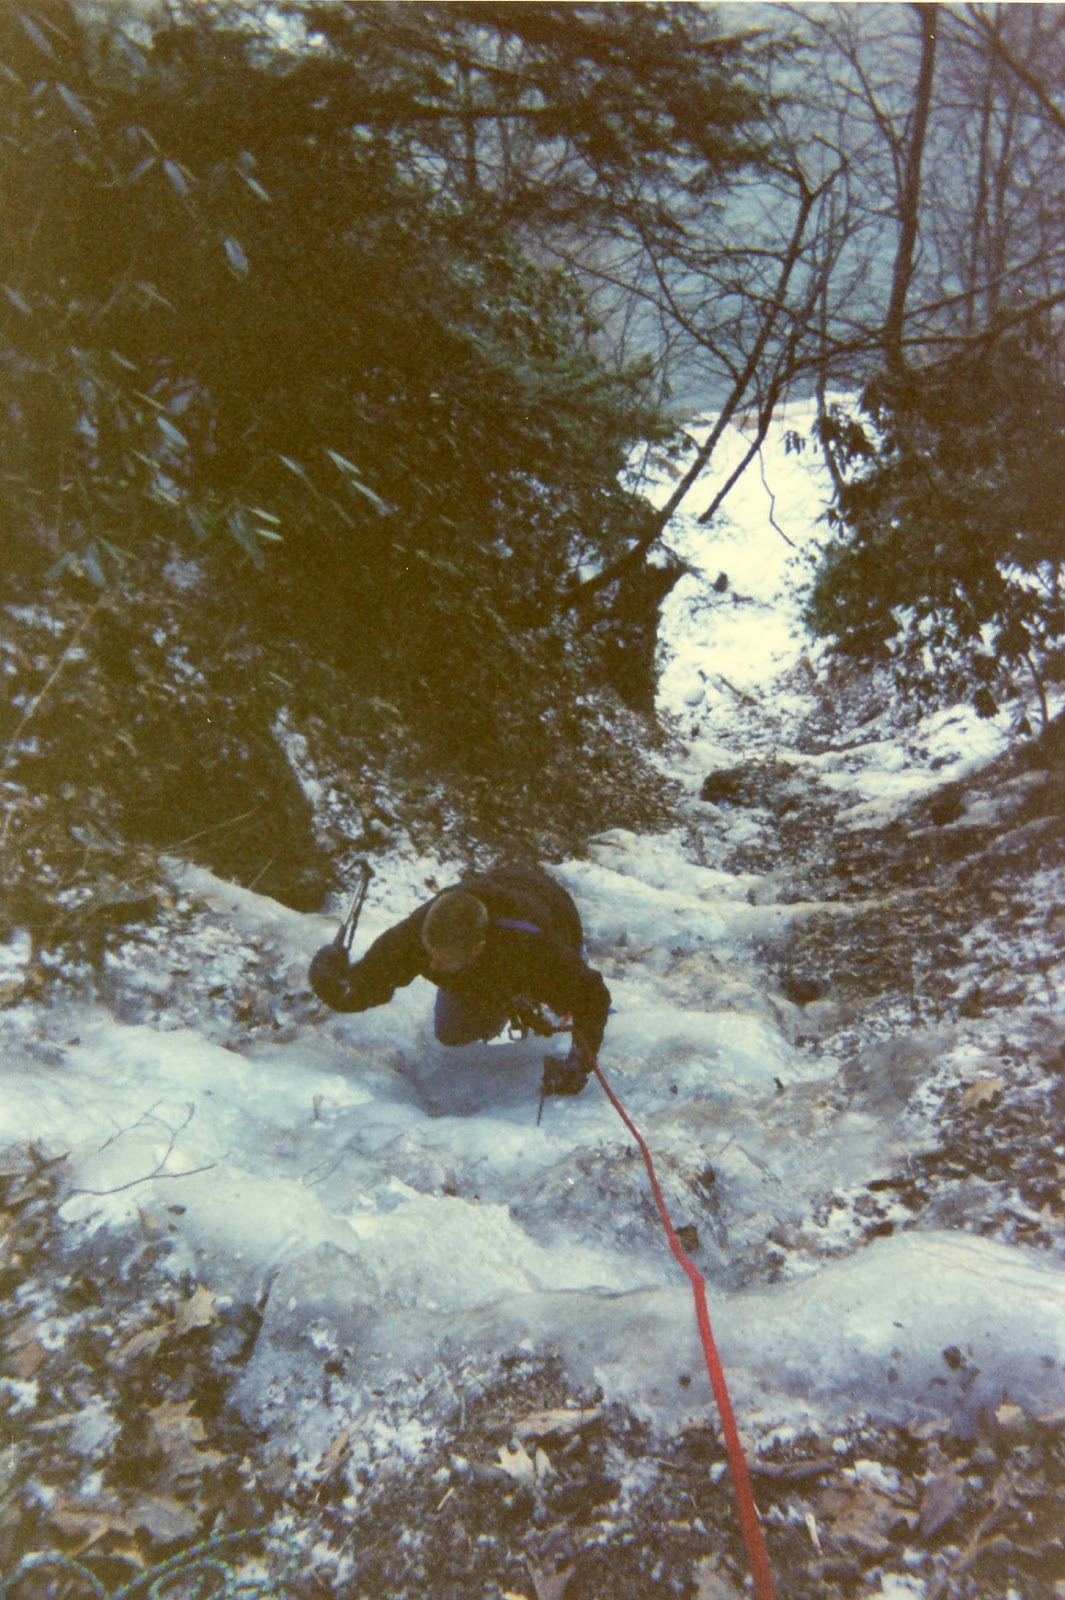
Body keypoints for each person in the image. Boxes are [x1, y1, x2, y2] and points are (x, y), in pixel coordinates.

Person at [308, 863, 609, 1097]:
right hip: (493, 939)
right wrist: (329, 983)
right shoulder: (417, 935)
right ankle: (503, 1005)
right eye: (430, 955)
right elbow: (367, 984)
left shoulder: (532, 950)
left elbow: (593, 996)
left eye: (445, 961)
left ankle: (521, 998)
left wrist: (577, 1065)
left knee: (564, 999)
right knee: (451, 1032)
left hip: (552, 915)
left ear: (478, 949)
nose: (433, 966)